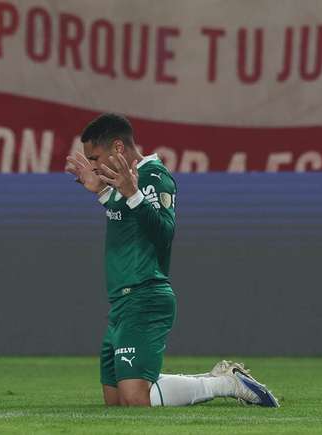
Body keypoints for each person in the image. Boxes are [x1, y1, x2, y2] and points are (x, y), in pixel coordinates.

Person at [66, 113, 279, 407]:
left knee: (135, 398)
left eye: (95, 158)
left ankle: (226, 384)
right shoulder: (121, 183)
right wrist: (104, 193)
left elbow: (164, 233)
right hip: (121, 302)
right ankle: (216, 378)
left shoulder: (153, 176)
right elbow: (128, 221)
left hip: (145, 296)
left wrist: (133, 194)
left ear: (118, 147)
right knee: (116, 402)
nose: (92, 165)